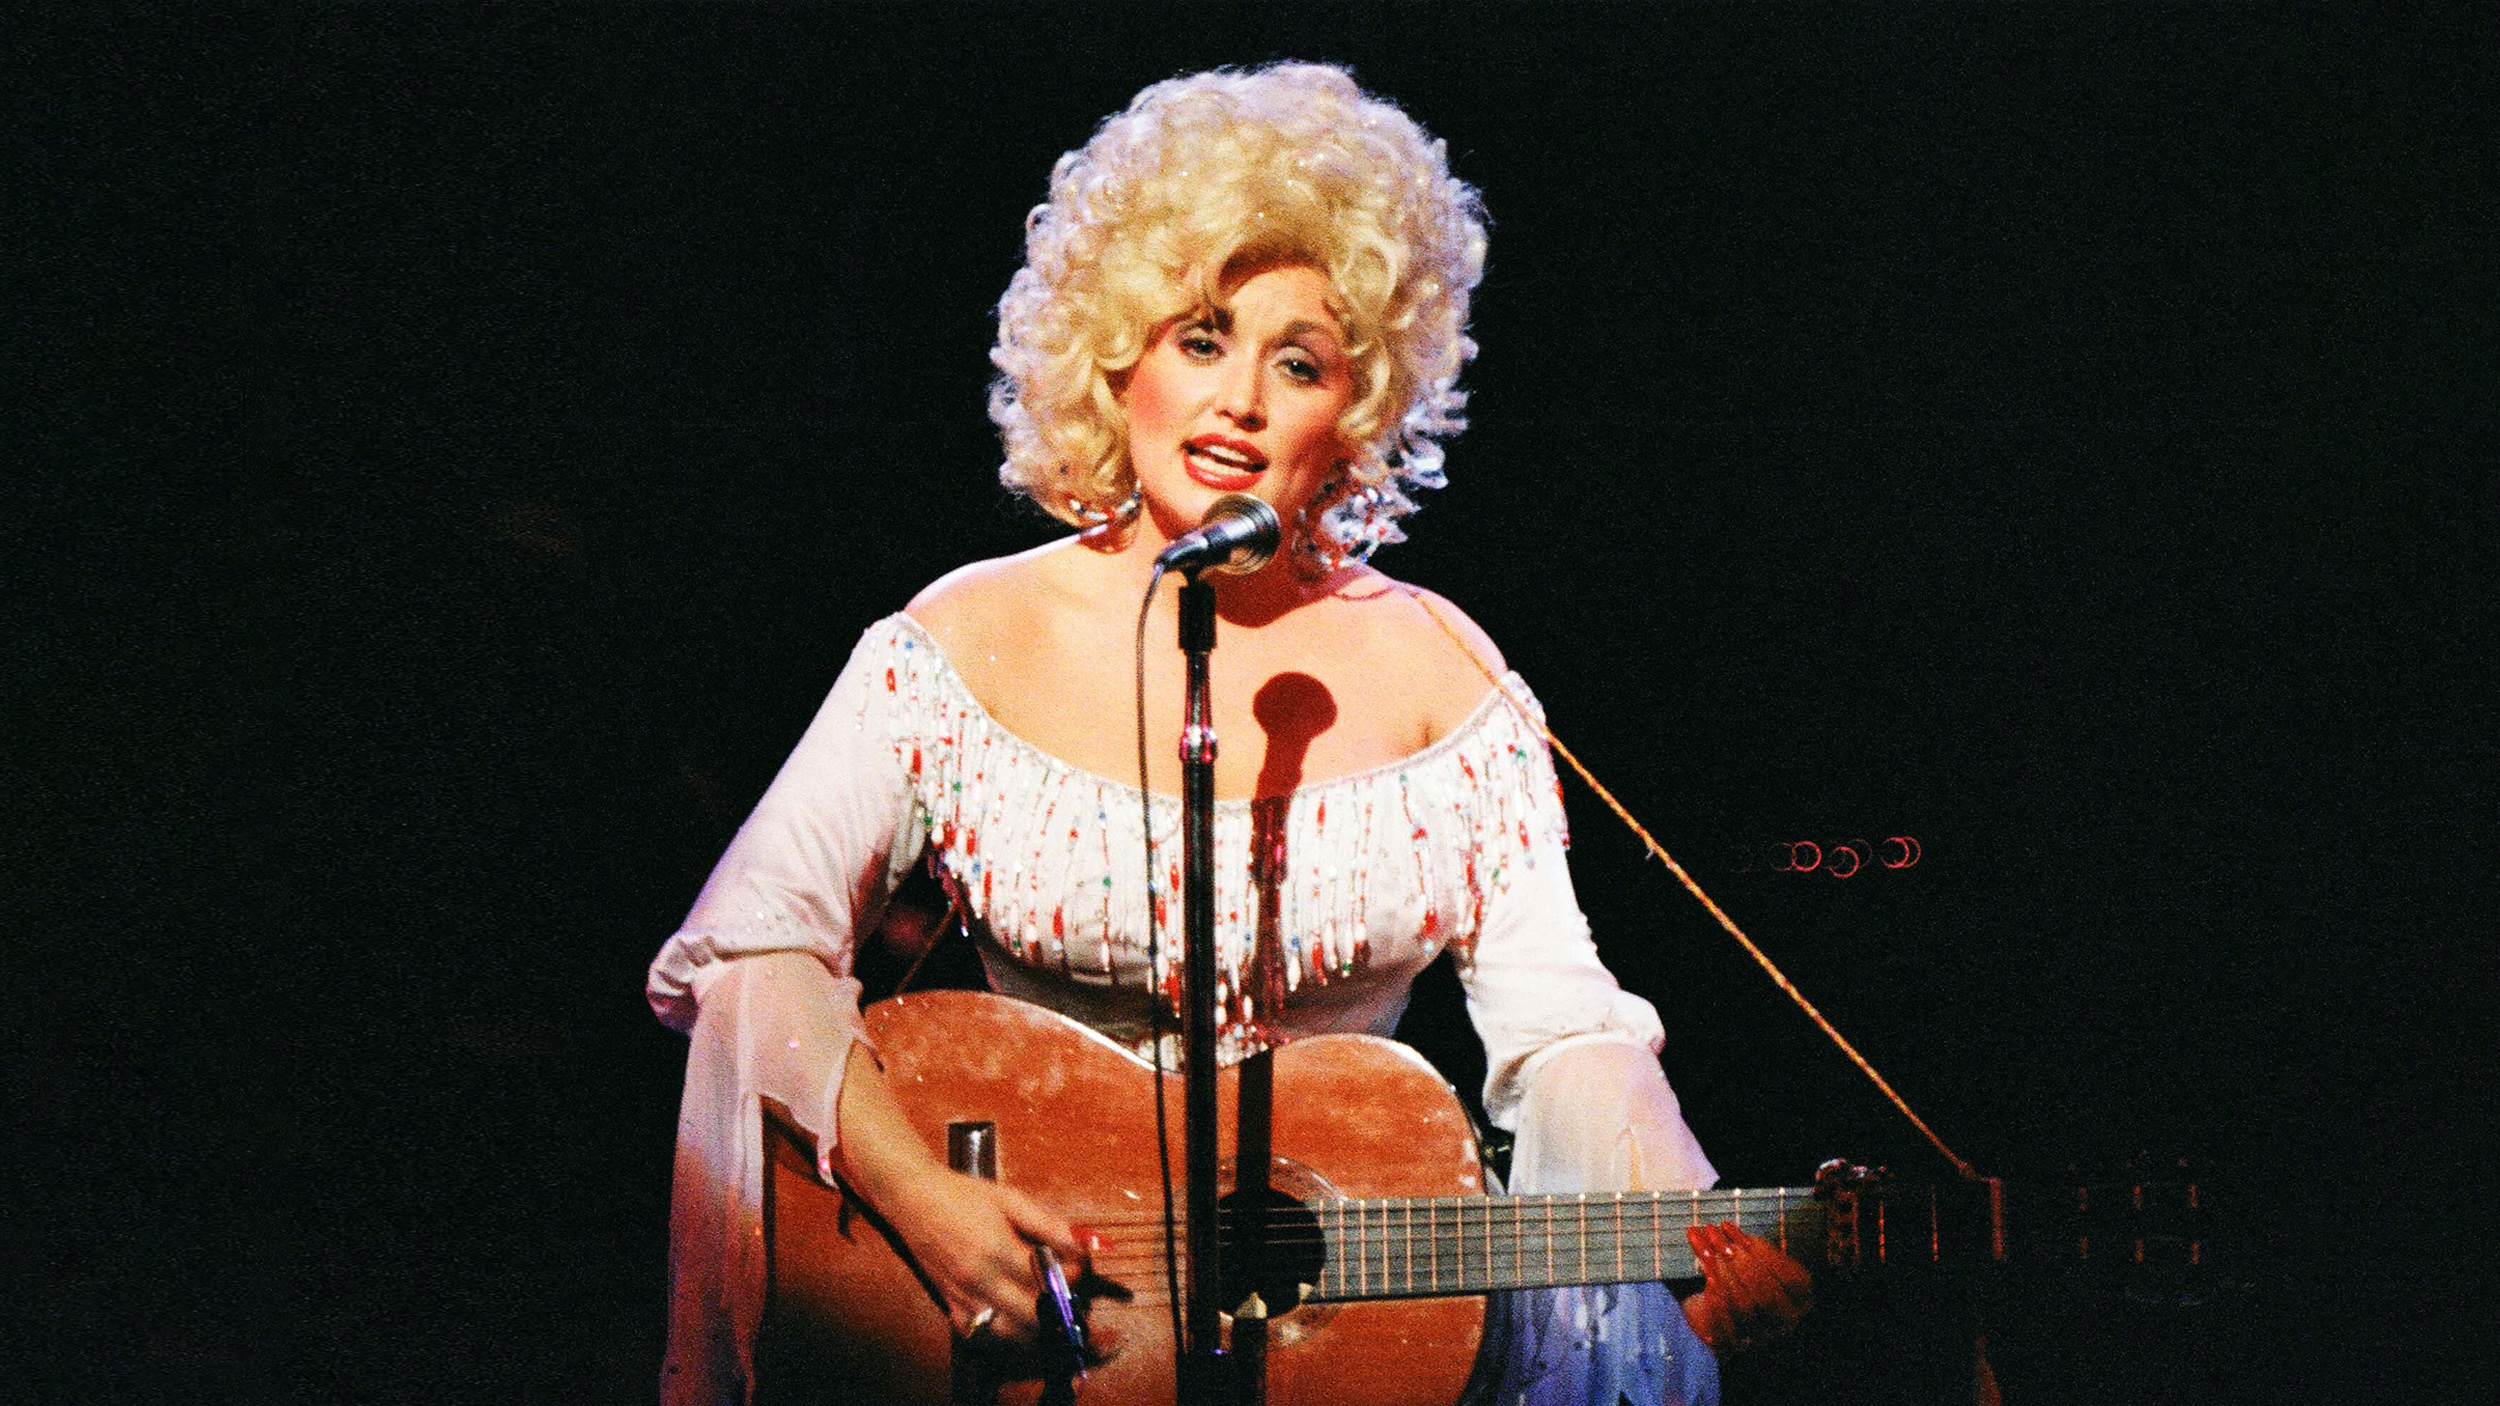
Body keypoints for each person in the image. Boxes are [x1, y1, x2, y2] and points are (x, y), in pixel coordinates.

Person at [648, 62, 1812, 1406]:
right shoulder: (957, 640)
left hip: (1333, 1359)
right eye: (1202, 337)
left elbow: (1565, 1038)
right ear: (1117, 351)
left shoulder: (1442, 673)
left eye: (1298, 362)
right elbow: (752, 952)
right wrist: (930, 1204)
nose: (1241, 399)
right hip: (1030, 1341)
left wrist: (1692, 1223)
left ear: (1355, 414)